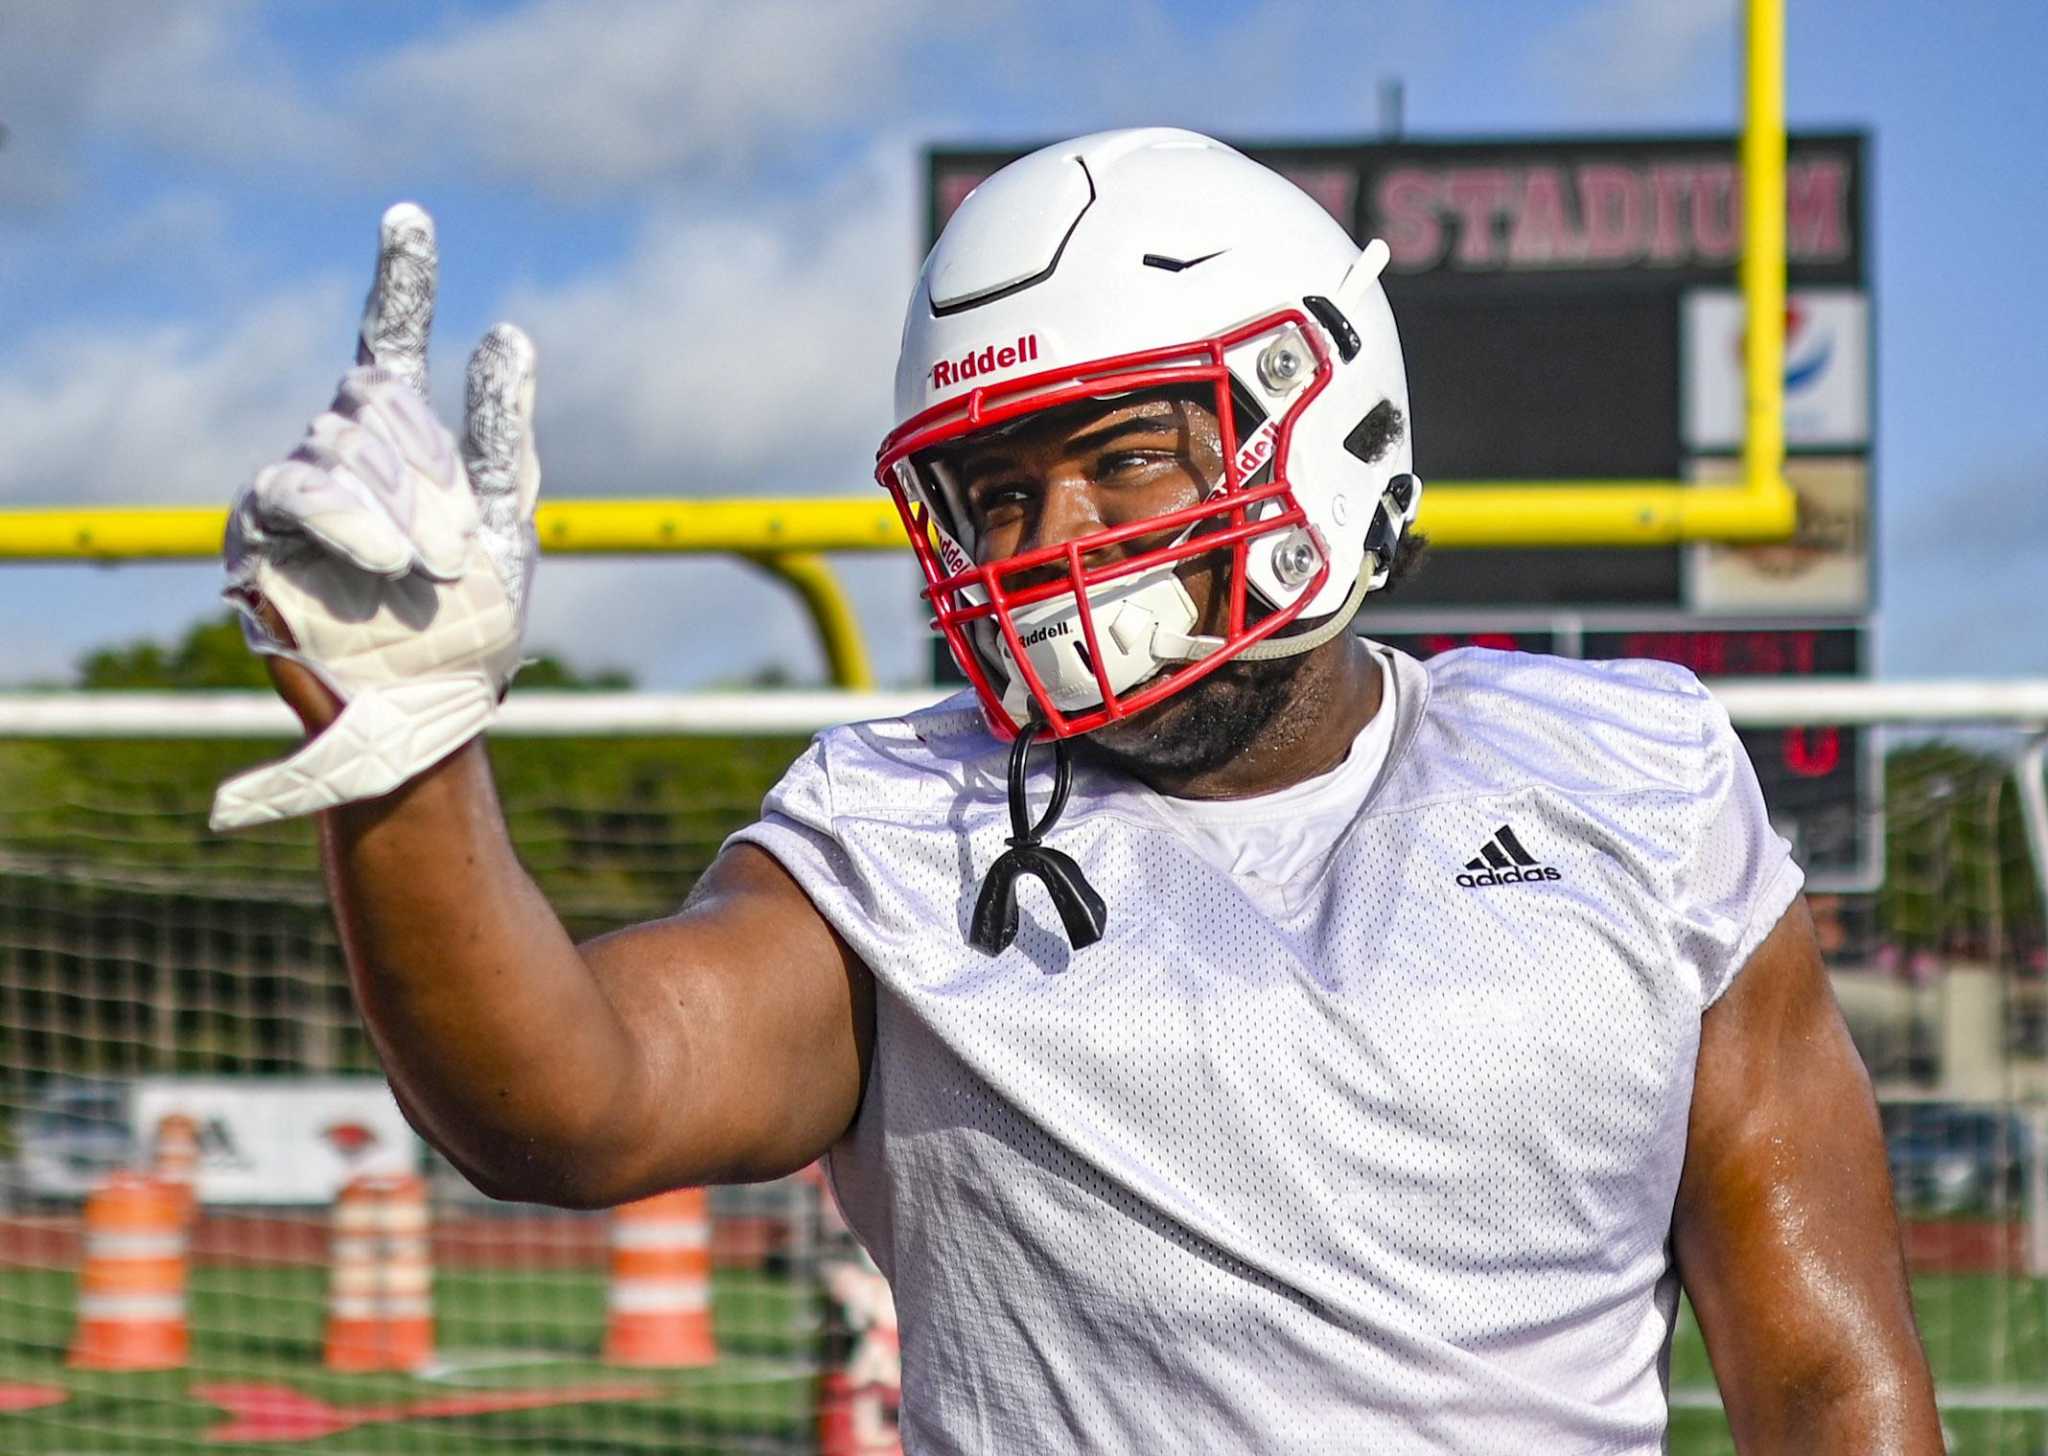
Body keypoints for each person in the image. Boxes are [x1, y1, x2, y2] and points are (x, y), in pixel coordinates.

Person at [216, 129, 1940, 1452]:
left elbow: (1818, 1368)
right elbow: (570, 1102)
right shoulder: (901, 832)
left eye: (1124, 454)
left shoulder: (1628, 780)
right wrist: (413, 755)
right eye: (997, 494)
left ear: (1320, 417)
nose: (1055, 547)